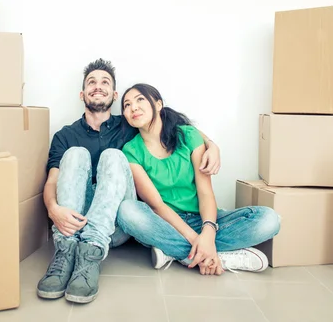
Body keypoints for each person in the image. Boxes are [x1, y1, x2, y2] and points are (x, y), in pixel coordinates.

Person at [36, 59, 221, 303]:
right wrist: (53, 209)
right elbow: (51, 183)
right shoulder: (65, 135)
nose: (97, 86)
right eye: (91, 82)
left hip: (115, 225)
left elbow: (173, 125)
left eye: (105, 82)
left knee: (113, 155)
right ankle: (65, 250)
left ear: (113, 94)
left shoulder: (130, 123)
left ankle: (92, 250)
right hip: (71, 223)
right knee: (75, 153)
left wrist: (212, 145)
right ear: (82, 93)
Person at [116, 83, 281, 275]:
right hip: (165, 223)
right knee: (128, 211)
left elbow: (205, 192)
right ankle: (213, 257)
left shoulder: (188, 136)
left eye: (140, 100)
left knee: (270, 219)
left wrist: (208, 234)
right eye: (126, 105)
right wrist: (197, 240)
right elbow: (157, 206)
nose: (133, 107)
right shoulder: (131, 151)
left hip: (202, 218)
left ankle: (176, 253)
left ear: (158, 104)